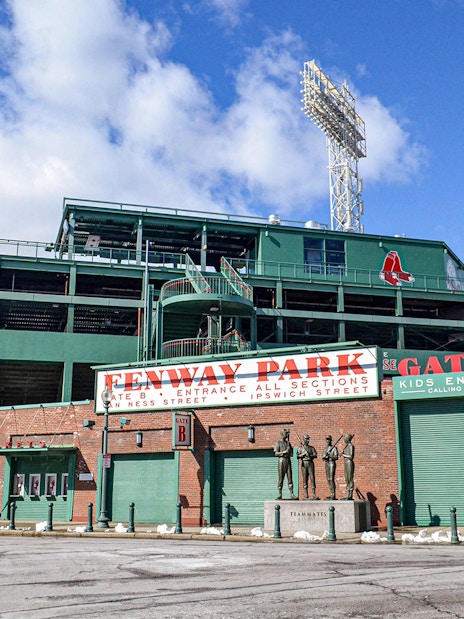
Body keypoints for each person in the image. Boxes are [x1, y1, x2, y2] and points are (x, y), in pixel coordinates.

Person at [274, 428, 297, 500]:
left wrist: (290, 450)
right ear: (282, 434)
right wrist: (284, 452)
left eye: (287, 434)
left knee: (290, 478)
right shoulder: (278, 443)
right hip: (281, 460)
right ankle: (280, 493)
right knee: (281, 478)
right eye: (285, 434)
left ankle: (291, 493)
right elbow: (276, 453)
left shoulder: (288, 443)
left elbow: (292, 452)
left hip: (288, 460)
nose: (286, 435)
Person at [297, 434, 319, 500]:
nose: (308, 440)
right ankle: (306, 495)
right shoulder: (300, 448)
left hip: (310, 463)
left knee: (312, 478)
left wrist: (310, 455)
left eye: (308, 439)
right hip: (304, 463)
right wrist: (303, 454)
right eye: (306, 439)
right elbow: (297, 456)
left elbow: (315, 455)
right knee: (305, 479)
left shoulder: (311, 448)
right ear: (304, 439)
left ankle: (314, 494)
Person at [322, 435, 338, 500]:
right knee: (328, 479)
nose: (327, 441)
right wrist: (325, 457)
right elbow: (323, 457)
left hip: (332, 463)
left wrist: (330, 456)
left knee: (331, 479)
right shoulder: (325, 449)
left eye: (329, 439)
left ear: (331, 440)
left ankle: (333, 494)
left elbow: (336, 457)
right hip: (327, 463)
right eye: (327, 439)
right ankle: (331, 493)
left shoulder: (334, 448)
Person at [340, 434, 355, 500]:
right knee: (347, 478)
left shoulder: (351, 446)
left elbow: (351, 456)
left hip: (349, 462)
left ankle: (350, 494)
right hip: (346, 462)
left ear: (348, 439)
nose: (344, 440)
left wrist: (343, 454)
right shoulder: (346, 446)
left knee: (350, 477)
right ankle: (347, 494)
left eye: (345, 438)